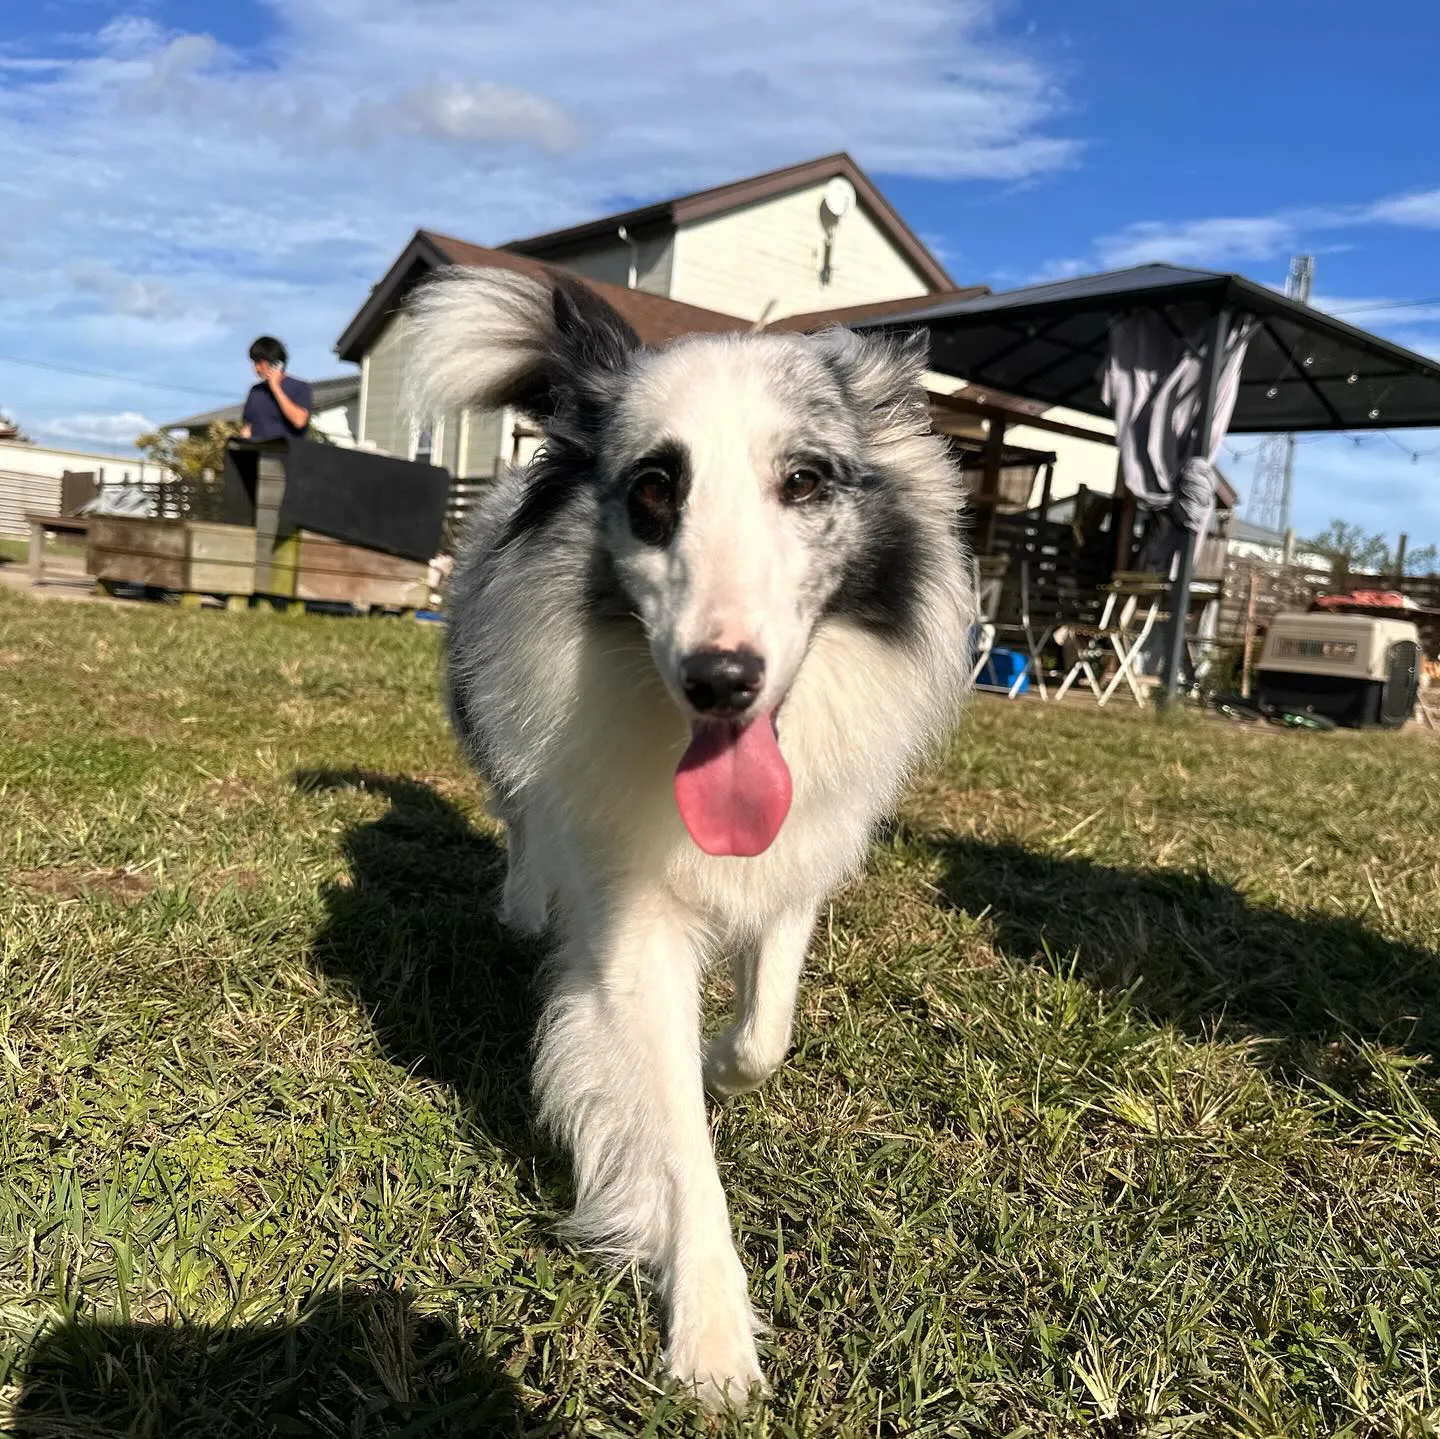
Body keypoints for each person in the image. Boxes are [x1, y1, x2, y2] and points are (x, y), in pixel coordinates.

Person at [240, 336, 312, 441]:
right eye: (254, 363)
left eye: (260, 363)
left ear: (275, 362)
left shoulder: (299, 387)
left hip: (287, 454)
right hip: (260, 454)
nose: (257, 368)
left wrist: (275, 388)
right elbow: (248, 428)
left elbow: (299, 421)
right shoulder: (255, 391)